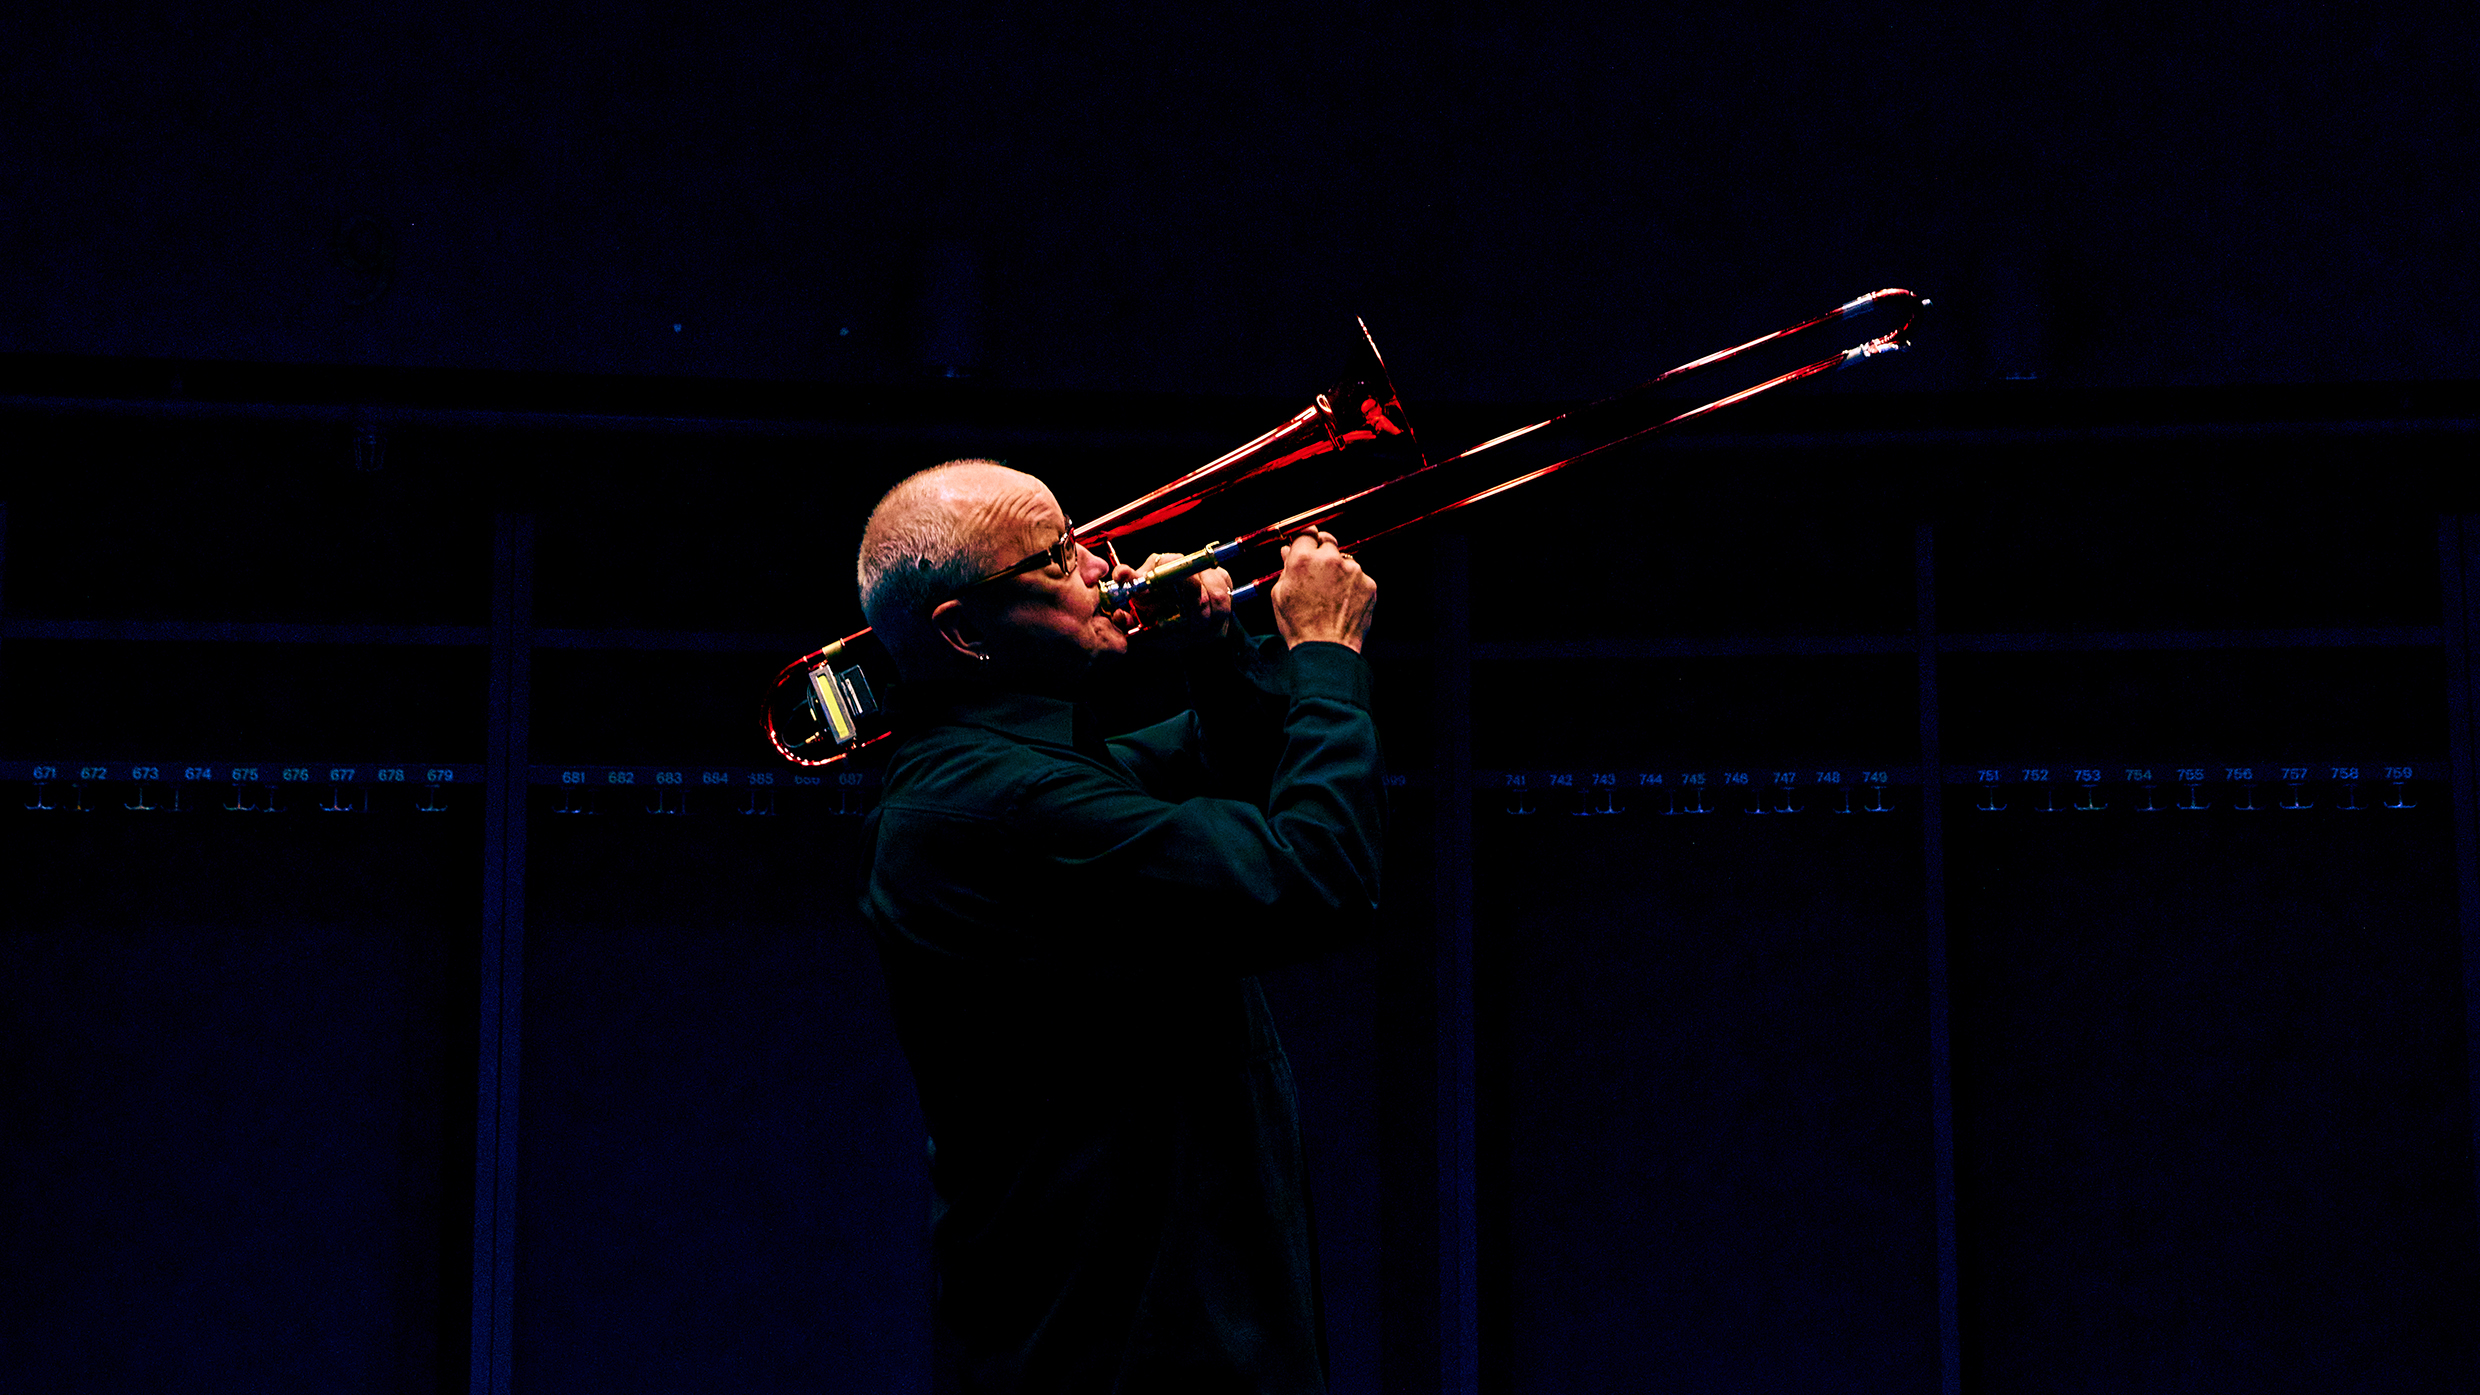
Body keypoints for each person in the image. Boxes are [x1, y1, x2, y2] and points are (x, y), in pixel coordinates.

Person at [854, 458, 1384, 1394]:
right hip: (1121, 1355)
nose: (1104, 564)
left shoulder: (1020, 769)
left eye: (1080, 538)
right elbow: (1316, 878)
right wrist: (1327, 651)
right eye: (1058, 557)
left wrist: (1214, 653)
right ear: (965, 632)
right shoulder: (1000, 803)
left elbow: (1238, 768)